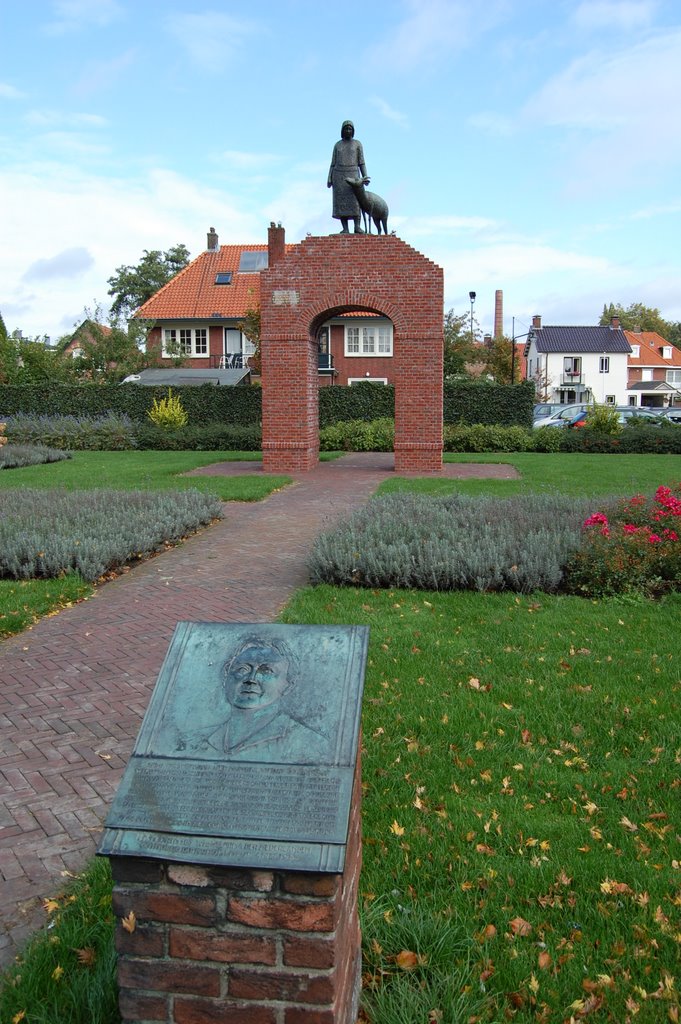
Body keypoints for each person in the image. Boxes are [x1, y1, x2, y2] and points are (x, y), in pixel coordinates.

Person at [180, 636, 330, 763]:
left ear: (289, 685)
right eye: (242, 669)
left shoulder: (311, 745)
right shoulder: (189, 742)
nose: (251, 679)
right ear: (226, 675)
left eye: (266, 671)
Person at [327, 120, 368, 234]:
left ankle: (357, 226)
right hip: (339, 175)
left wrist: (365, 176)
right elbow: (332, 163)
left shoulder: (357, 144)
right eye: (346, 129)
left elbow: (362, 162)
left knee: (355, 201)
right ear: (342, 130)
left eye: (350, 129)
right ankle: (345, 228)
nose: (348, 131)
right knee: (341, 202)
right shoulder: (338, 145)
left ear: (353, 131)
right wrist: (329, 177)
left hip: (353, 174)